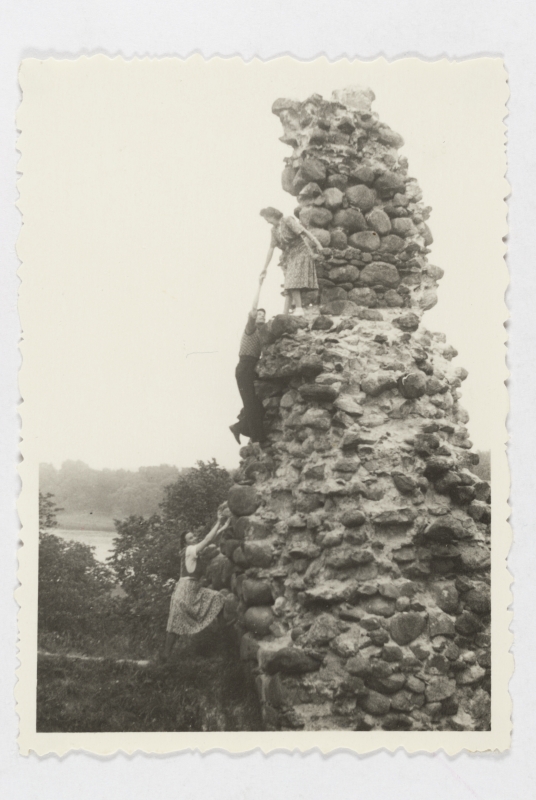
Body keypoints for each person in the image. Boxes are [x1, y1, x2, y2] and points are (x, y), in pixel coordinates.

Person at [163, 510, 231, 662]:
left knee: (174, 626)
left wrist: (224, 526)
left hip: (188, 590)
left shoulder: (193, 551)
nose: (194, 538)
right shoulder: (190, 550)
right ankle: (226, 647)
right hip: (186, 591)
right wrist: (218, 521)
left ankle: (165, 658)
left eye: (193, 536)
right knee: (175, 624)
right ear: (186, 542)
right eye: (190, 537)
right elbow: (207, 540)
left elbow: (210, 539)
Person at [229, 270, 269, 446]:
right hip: (245, 367)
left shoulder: (263, 333)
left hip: (252, 368)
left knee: (254, 403)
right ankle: (258, 438)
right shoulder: (251, 328)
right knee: (251, 403)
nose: (261, 316)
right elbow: (253, 309)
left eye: (263, 315)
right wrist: (259, 285)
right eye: (259, 314)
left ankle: (239, 426)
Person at [260, 206, 323, 316]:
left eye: (267, 218)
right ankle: (285, 314)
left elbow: (304, 232)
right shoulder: (274, 230)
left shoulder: (287, 220)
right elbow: (271, 248)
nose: (267, 222)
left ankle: (299, 309)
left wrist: (318, 244)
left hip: (302, 251)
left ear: (272, 215)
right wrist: (264, 268)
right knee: (288, 285)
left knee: (291, 280)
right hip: (290, 256)